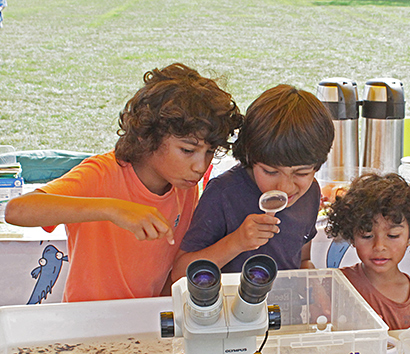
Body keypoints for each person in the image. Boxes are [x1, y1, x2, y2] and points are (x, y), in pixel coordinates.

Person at [4, 63, 242, 302]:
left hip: (145, 320)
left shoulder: (184, 186)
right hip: (87, 324)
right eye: (187, 150)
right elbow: (17, 210)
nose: (200, 167)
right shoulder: (101, 173)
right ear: (147, 135)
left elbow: (170, 273)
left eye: (210, 152)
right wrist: (113, 209)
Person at [172, 84, 334, 279]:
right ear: (250, 157)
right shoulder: (223, 194)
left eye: (301, 173)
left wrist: (314, 283)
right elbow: (180, 274)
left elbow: (301, 259)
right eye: (270, 171)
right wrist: (236, 242)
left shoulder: (310, 193)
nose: (284, 187)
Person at [325, 173, 410, 330]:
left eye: (393, 235)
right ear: (351, 236)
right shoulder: (336, 286)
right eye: (367, 235)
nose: (379, 246)